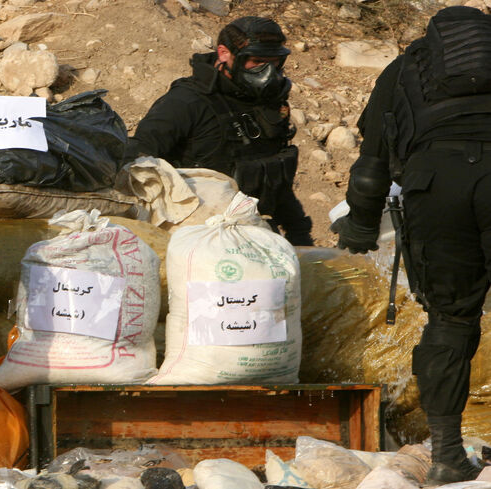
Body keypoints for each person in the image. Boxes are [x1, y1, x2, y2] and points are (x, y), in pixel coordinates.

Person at [331, 6, 491, 484]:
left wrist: (360, 227)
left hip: (434, 189)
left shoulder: (404, 69)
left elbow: (370, 167)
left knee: (451, 319)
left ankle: (446, 454)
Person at [127, 16, 313, 246]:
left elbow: (274, 175)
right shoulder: (186, 102)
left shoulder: (269, 101)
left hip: (257, 233)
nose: (267, 72)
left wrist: (299, 233)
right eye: (256, 62)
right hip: (199, 239)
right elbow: (139, 169)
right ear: (224, 53)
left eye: (274, 63)